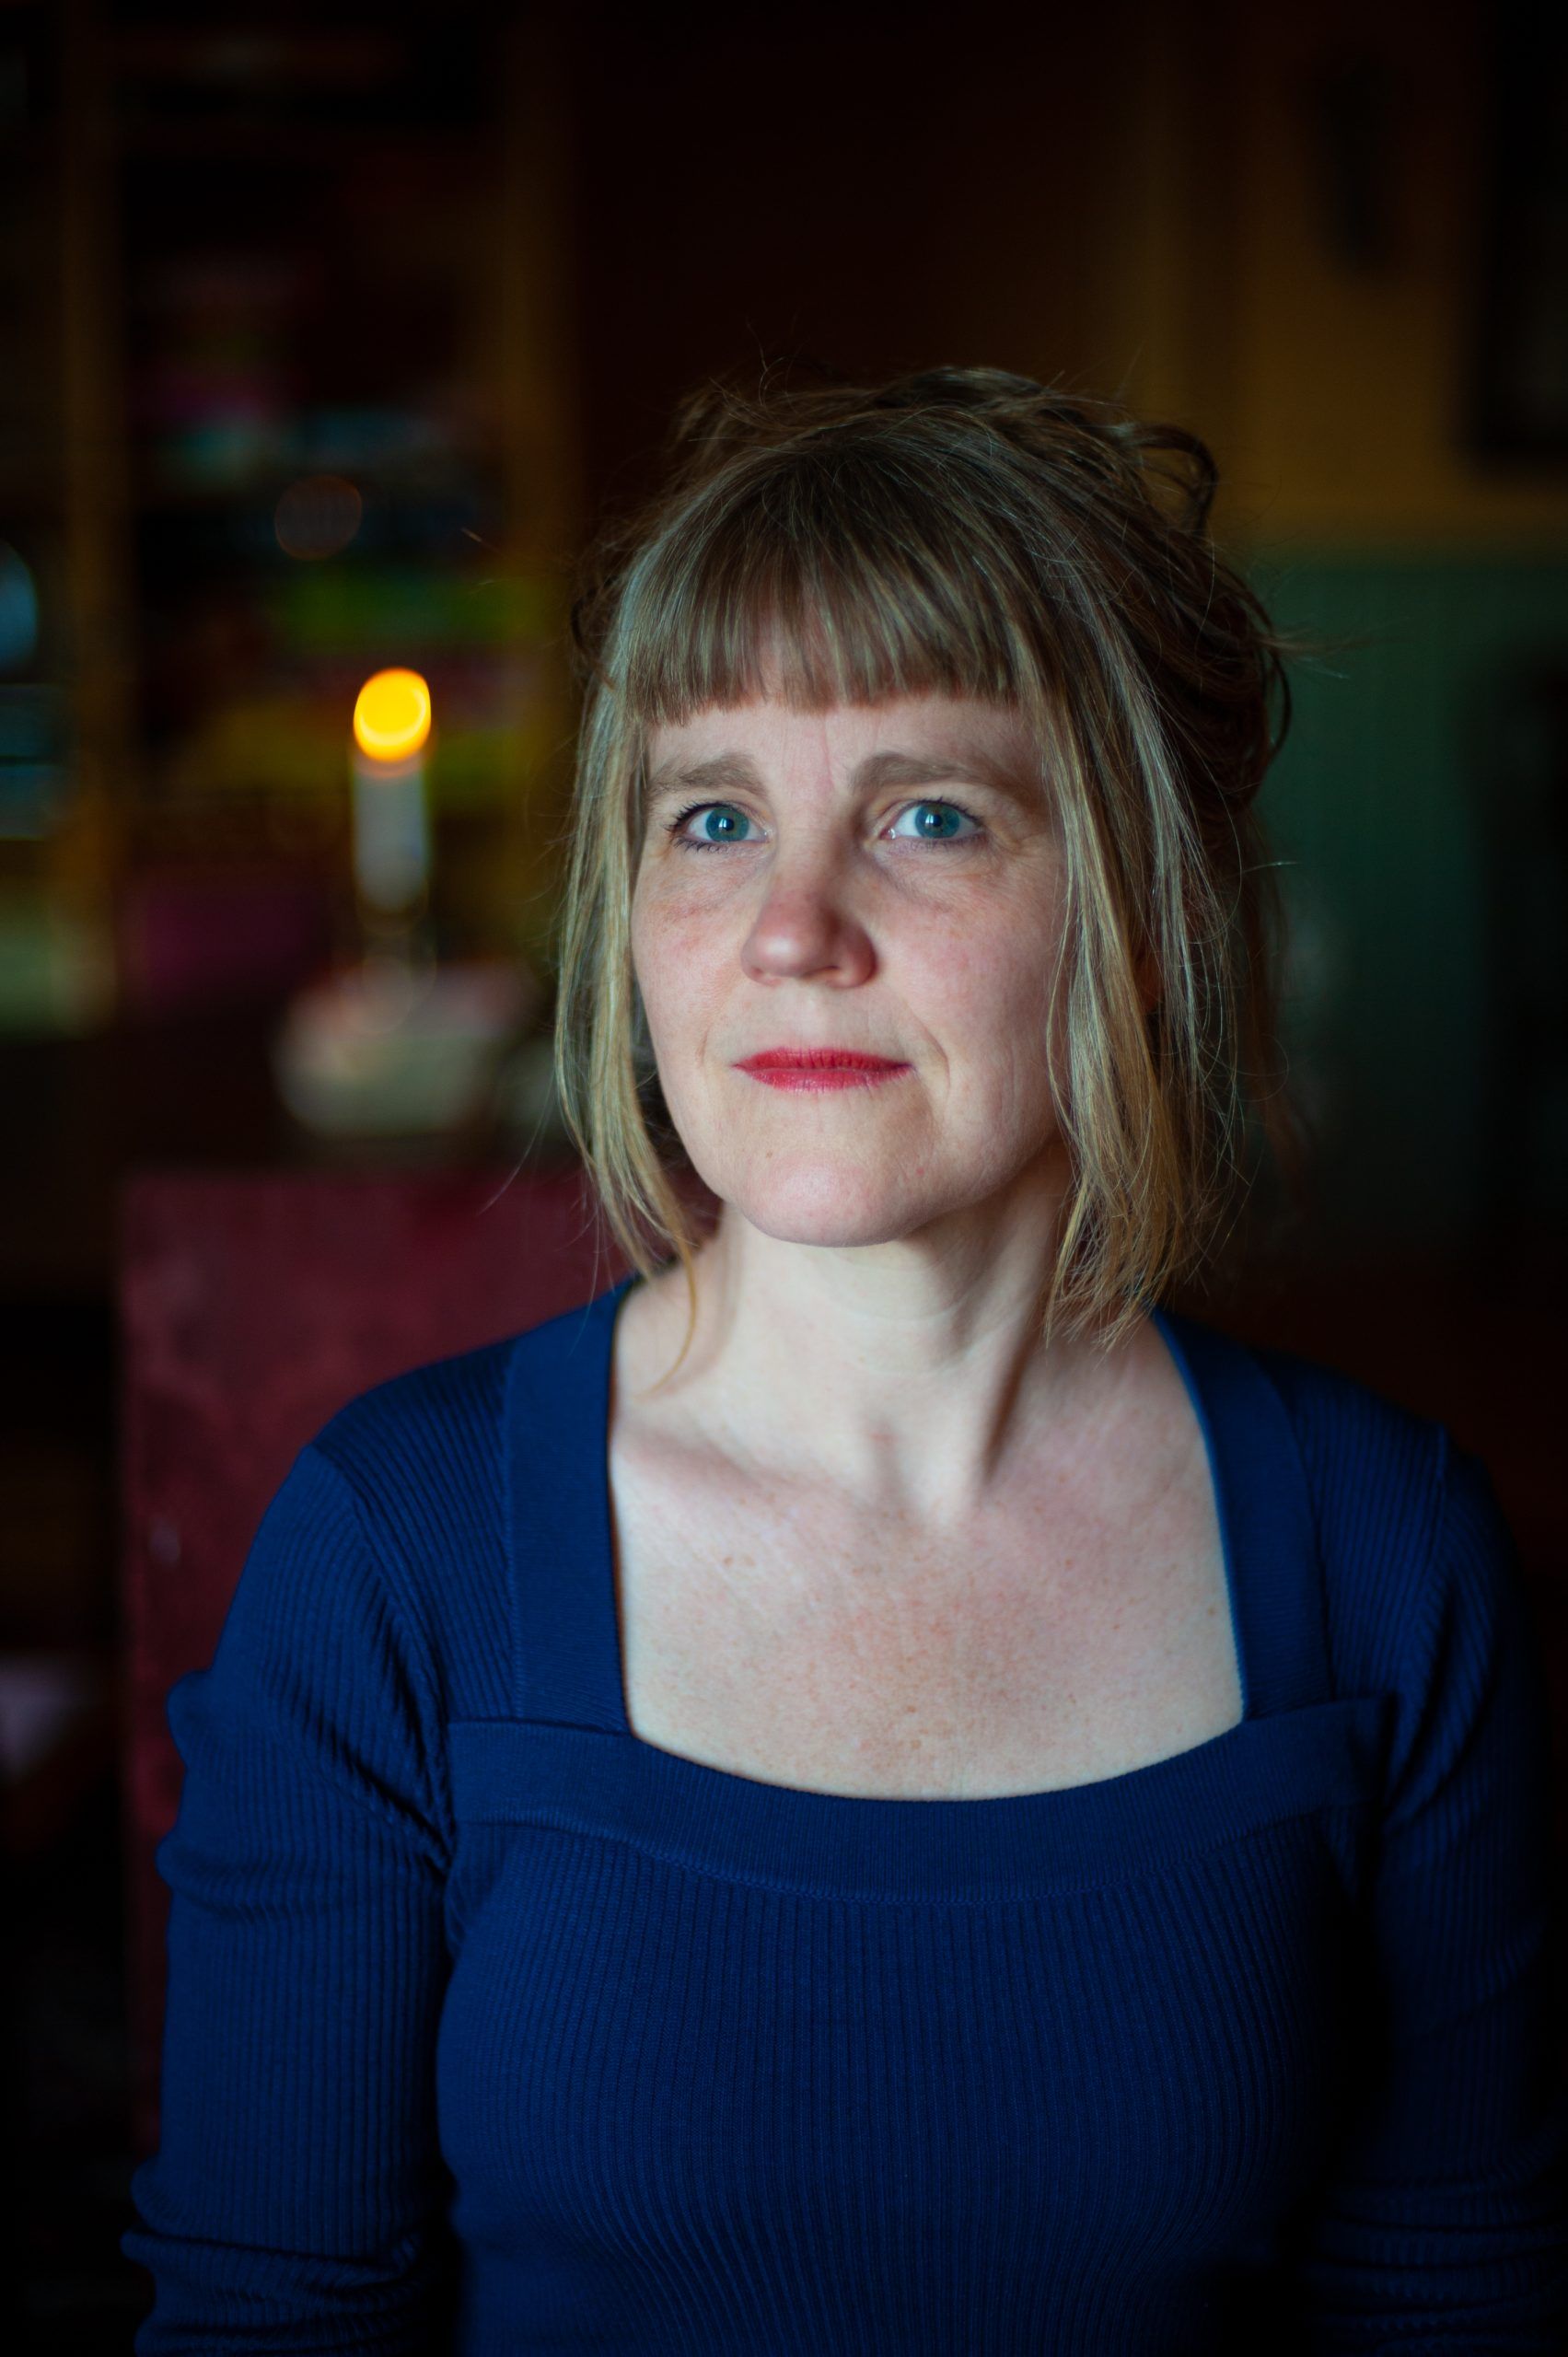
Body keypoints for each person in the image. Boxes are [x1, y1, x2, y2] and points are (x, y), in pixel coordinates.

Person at [123, 366, 1568, 2352]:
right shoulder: (398, 1547)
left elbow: (1454, 2302)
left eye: (929, 813)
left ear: (1147, 909)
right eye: (714, 816)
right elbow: (266, 2316)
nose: (792, 927)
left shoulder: (1387, 1551)